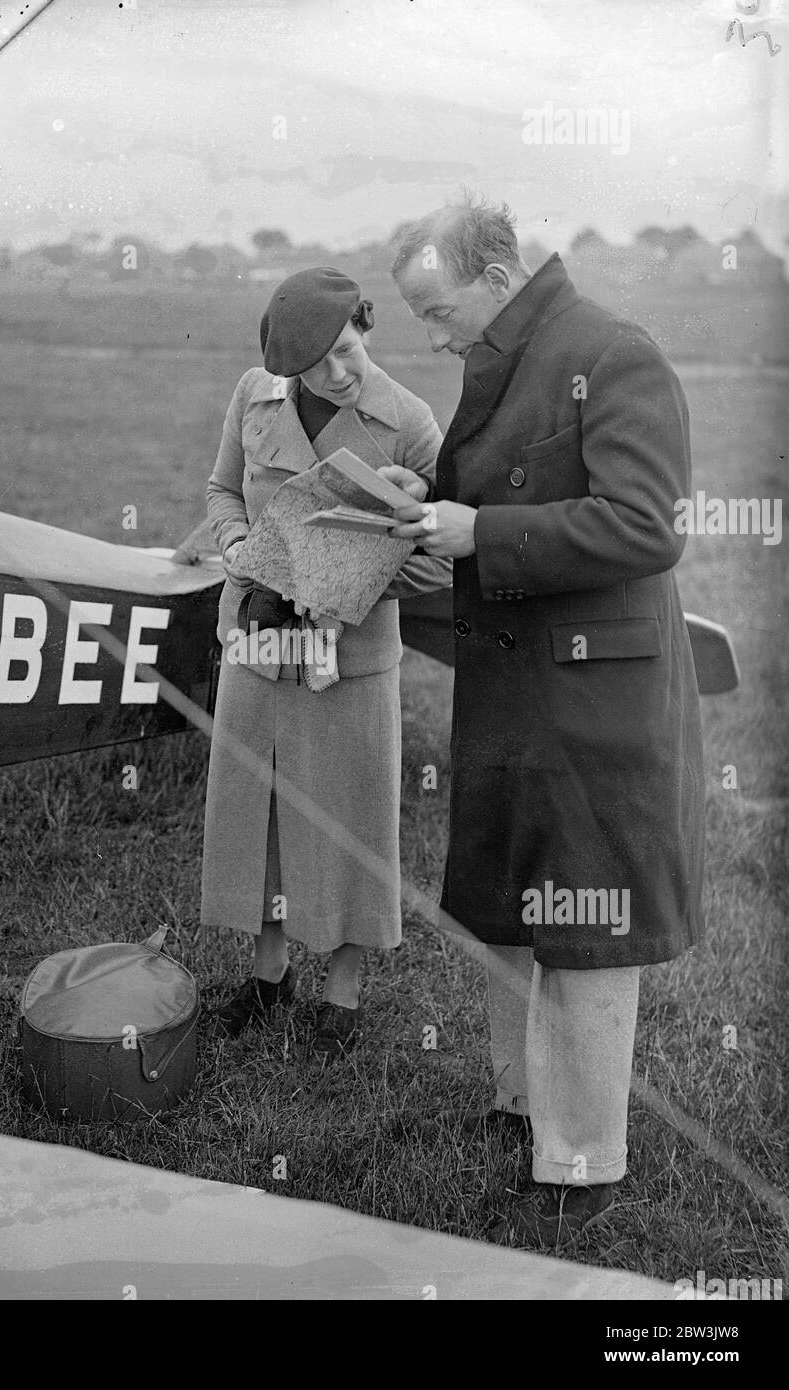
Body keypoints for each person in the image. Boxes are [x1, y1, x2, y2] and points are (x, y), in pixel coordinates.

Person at [380, 192, 705, 1246]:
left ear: (496, 274)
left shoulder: (612, 351)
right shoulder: (509, 353)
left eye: (436, 312)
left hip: (589, 698)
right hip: (520, 687)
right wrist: (422, 506)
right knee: (512, 906)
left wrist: (486, 530)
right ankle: (520, 1105)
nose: (431, 338)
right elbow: (484, 498)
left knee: (583, 930)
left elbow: (643, 526)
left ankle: (578, 1166)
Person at [202, 266, 452, 1060]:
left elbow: (440, 557)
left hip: (349, 655)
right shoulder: (254, 393)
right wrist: (240, 548)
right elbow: (220, 491)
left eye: (347, 351)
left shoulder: (409, 422)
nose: (335, 375)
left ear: (367, 327)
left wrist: (344, 584)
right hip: (258, 640)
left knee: (346, 813)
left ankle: (340, 993)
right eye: (314, 367)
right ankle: (267, 974)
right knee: (259, 804)